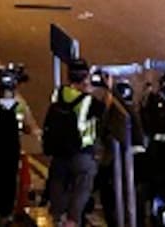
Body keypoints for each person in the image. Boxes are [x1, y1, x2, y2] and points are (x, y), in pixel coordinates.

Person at [44, 58, 106, 227]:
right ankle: (72, 220)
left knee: (57, 183)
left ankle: (57, 218)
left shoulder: (58, 94)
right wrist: (100, 89)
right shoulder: (88, 101)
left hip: (59, 152)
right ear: (86, 77)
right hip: (81, 153)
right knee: (83, 186)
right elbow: (104, 111)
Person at [0, 64, 33, 222]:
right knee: (11, 181)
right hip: (13, 150)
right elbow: (28, 128)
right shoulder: (20, 107)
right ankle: (8, 212)